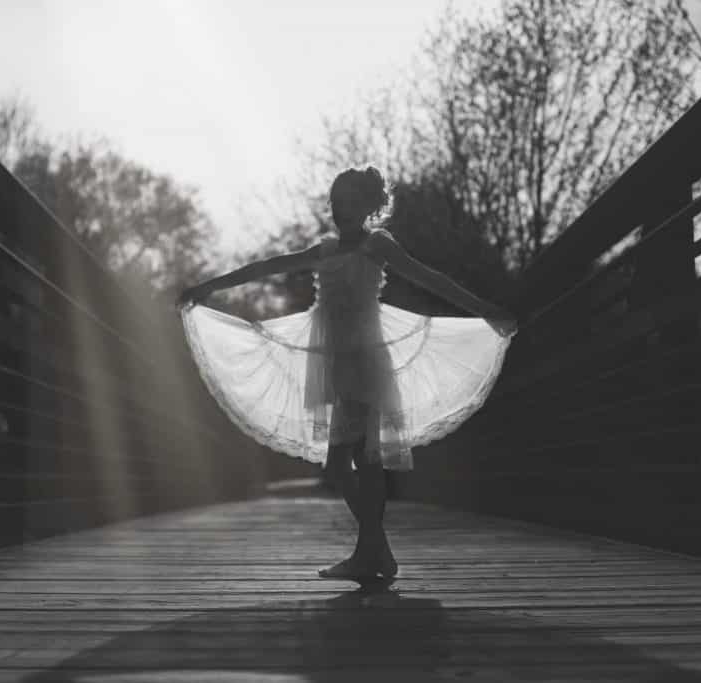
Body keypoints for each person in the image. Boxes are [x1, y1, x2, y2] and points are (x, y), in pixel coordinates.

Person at [175, 166, 516, 583]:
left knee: (341, 462)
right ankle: (371, 553)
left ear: (368, 206)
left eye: (349, 200)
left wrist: (485, 309)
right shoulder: (325, 249)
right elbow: (267, 266)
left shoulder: (378, 245)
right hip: (337, 366)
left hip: (366, 363)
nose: (339, 209)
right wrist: (208, 287)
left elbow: (431, 280)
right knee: (362, 463)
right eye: (335, 201)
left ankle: (375, 551)